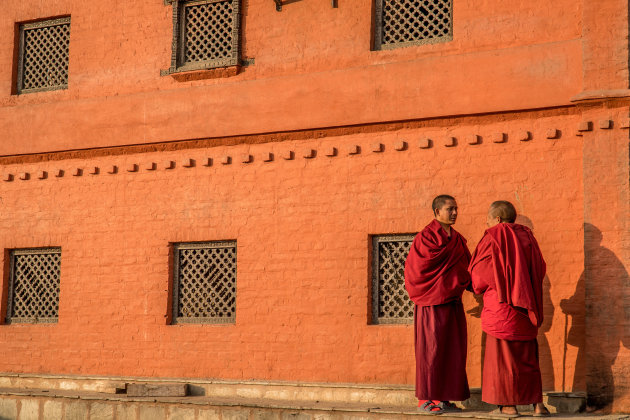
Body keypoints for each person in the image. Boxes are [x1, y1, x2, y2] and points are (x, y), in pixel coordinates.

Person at [469, 201, 550, 417]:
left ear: (496, 219)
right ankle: (537, 405)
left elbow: (480, 275)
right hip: (526, 306)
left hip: (502, 307)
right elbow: (540, 268)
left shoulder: (494, 235)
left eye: (487, 219)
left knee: (503, 359)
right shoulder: (529, 237)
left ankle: (508, 406)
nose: (486, 223)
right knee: (527, 357)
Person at [404, 194, 471, 414]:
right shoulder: (425, 238)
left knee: (453, 350)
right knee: (430, 350)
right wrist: (444, 284)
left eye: (456, 209)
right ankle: (426, 398)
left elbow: (467, 268)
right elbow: (416, 272)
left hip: (452, 302)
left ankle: (445, 397)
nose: (454, 213)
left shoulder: (458, 240)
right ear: (436, 212)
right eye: (449, 209)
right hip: (431, 302)